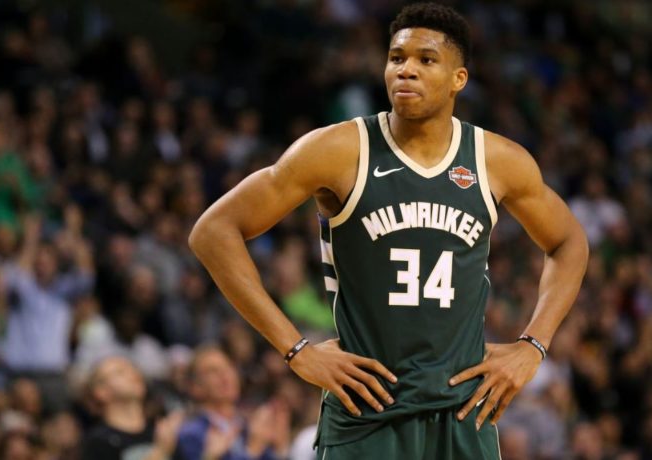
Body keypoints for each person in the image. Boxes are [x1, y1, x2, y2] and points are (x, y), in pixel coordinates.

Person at [188, 3, 588, 459]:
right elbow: (213, 231)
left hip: (463, 412)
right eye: (397, 58)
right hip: (366, 413)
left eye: (426, 60)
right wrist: (296, 349)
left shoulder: (497, 160)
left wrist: (533, 345)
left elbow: (569, 241)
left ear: (458, 78)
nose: (406, 70)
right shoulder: (338, 150)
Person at [175, 345, 291, 460]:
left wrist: (280, 448)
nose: (224, 375)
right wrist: (253, 449)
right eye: (212, 371)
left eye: (228, 367)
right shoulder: (192, 433)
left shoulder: (247, 425)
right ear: (195, 387)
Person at [81, 356, 183, 460]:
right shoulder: (98, 442)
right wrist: (161, 452)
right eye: (119, 372)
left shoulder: (161, 430)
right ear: (101, 392)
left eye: (133, 368)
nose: (133, 374)